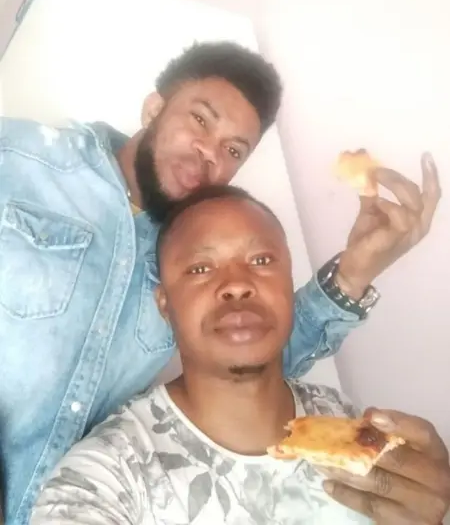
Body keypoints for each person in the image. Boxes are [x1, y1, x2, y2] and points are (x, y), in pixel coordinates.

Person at [0, 42, 440, 524]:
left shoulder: (181, 245)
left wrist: (355, 272)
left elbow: (240, 361)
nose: (209, 153)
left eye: (233, 150)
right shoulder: (17, 158)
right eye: (200, 120)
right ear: (154, 108)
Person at [31, 185, 450, 525]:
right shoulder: (101, 478)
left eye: (261, 260)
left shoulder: (343, 420)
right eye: (200, 268)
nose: (236, 284)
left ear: (288, 284)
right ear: (165, 305)